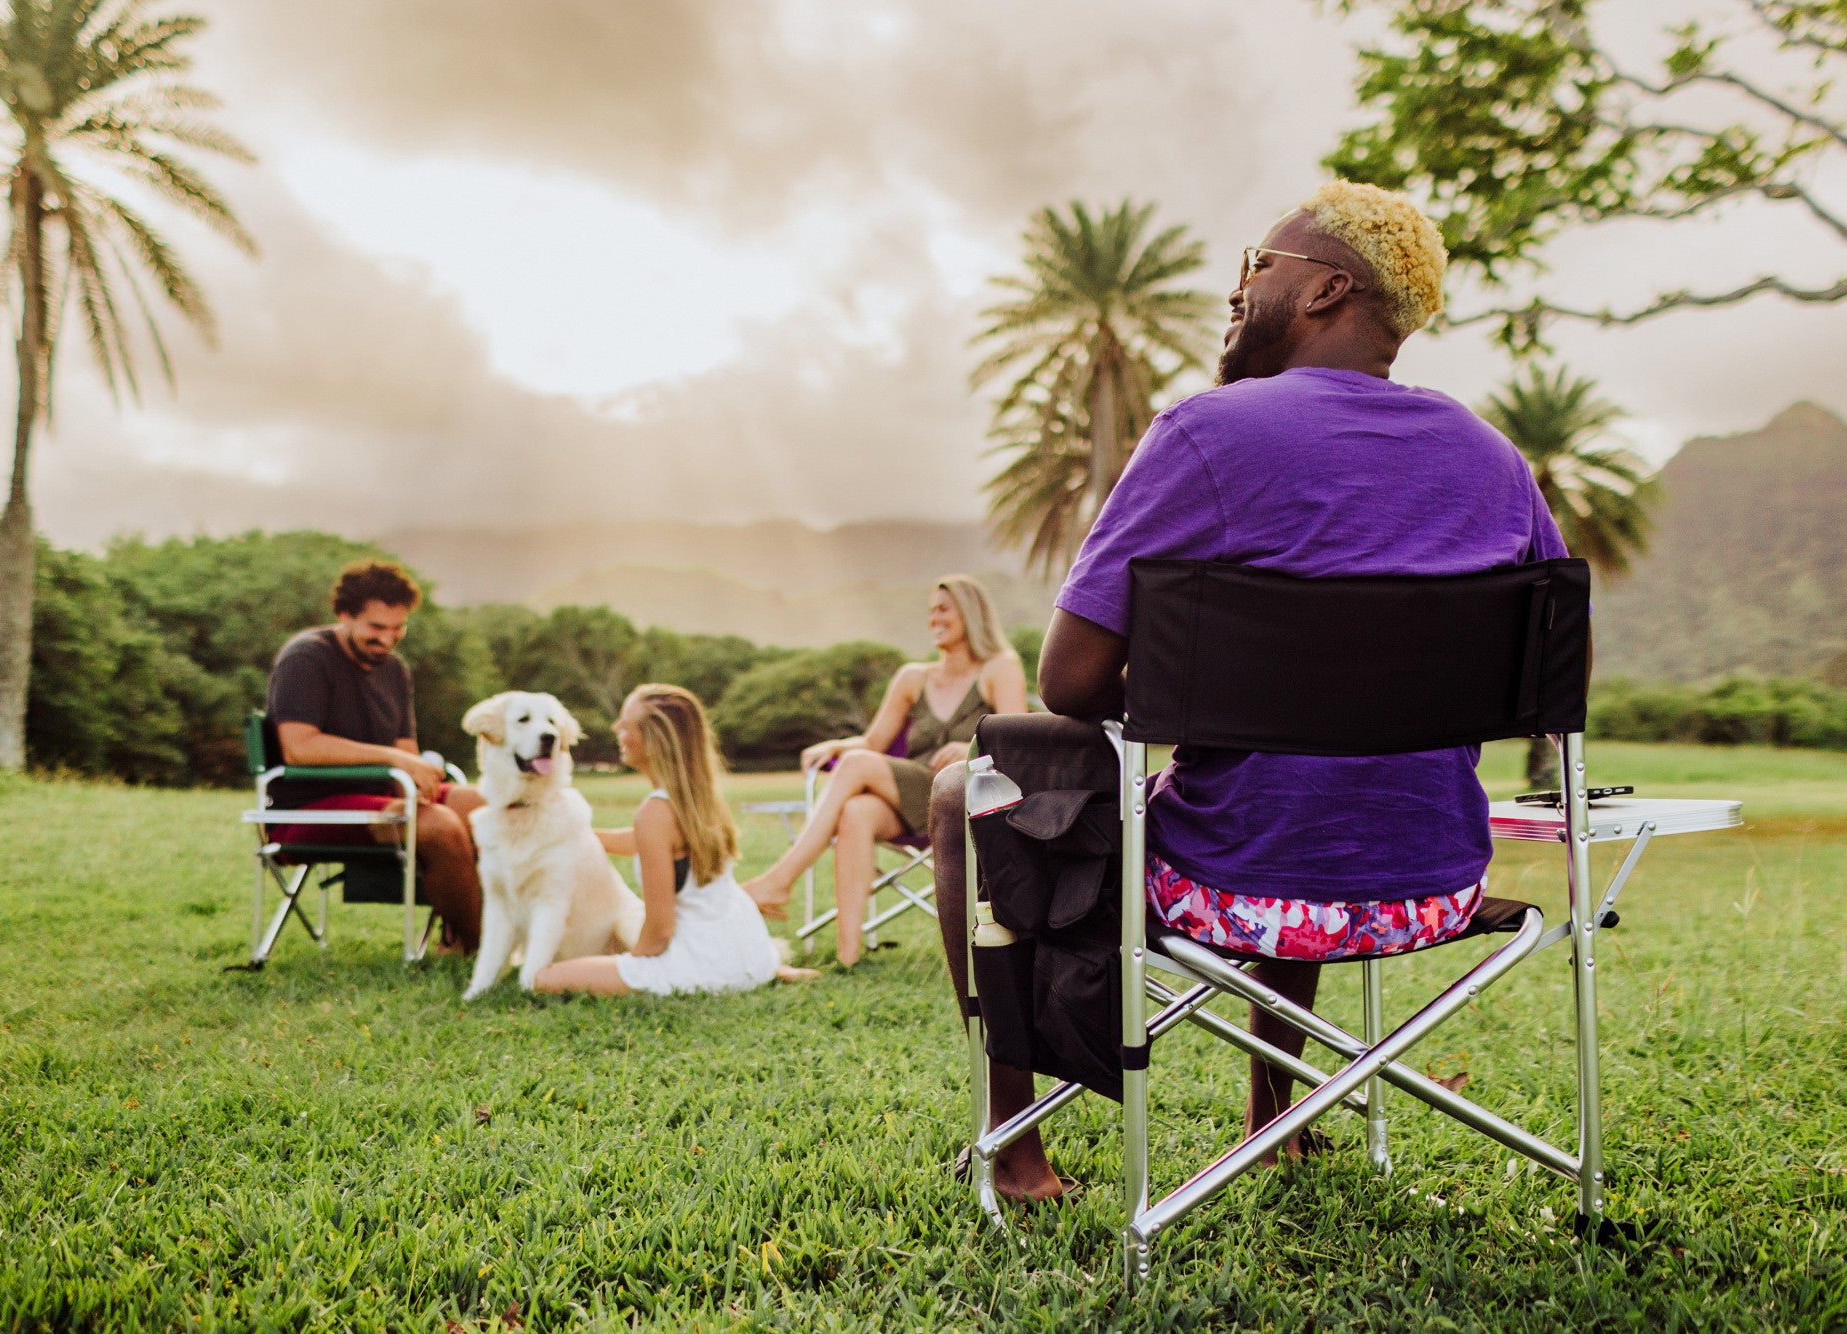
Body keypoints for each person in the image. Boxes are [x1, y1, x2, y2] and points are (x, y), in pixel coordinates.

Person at [930, 180, 1570, 1201]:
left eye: (1254, 266)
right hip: (1428, 889)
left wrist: (1225, 678)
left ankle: (1015, 1144)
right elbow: (1543, 678)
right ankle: (1278, 1117)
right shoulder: (1493, 461)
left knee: (969, 787)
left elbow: (1067, 682)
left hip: (1234, 885)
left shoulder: (1206, 433)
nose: (1238, 288)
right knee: (1304, 782)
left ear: (1323, 288)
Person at [743, 575, 1027, 966]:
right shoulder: (913, 677)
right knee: (855, 812)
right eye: (931, 611)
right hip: (914, 793)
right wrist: (837, 745)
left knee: (857, 767)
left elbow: (1015, 741)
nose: (934, 618)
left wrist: (971, 745)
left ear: (971, 612)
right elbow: (873, 744)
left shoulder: (999, 668)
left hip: (963, 796)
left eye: (943, 609)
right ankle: (847, 957)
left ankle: (779, 880)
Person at [535, 684, 817, 995]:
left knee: (544, 977)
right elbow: (643, 843)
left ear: (655, 740)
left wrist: (632, 966)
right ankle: (769, 971)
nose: (616, 729)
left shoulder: (655, 813)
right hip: (751, 952)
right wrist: (580, 837)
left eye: (626, 724)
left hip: (702, 964)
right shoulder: (697, 798)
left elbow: (659, 931)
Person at [265, 560, 485, 953]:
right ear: (344, 615)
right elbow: (299, 747)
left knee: (485, 807)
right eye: (376, 628)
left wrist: (415, 783)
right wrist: (394, 762)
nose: (388, 639)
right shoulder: (306, 658)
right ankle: (479, 946)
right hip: (309, 807)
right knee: (439, 826)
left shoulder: (395, 670)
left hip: (380, 797)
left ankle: (464, 933)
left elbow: (405, 751)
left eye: (398, 628)